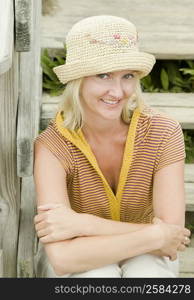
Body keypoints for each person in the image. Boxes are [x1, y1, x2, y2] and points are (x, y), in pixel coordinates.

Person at [33, 15, 191, 278]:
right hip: (84, 254)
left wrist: (82, 223)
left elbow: (171, 238)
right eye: (103, 75)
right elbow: (62, 259)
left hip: (149, 254)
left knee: (148, 274)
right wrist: (154, 233)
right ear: (78, 80)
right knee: (97, 275)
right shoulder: (52, 146)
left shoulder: (163, 132)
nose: (117, 92)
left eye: (127, 76)